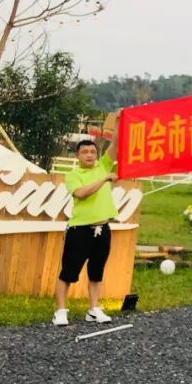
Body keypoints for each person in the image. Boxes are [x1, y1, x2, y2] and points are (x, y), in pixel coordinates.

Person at [53, 134, 119, 325]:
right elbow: (82, 193)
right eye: (85, 152)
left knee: (97, 272)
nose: (89, 155)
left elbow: (115, 144)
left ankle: (93, 310)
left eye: (92, 152)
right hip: (79, 230)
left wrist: (119, 121)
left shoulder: (103, 166)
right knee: (68, 272)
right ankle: (60, 311)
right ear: (77, 155)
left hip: (103, 229)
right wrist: (104, 179)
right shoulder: (73, 176)